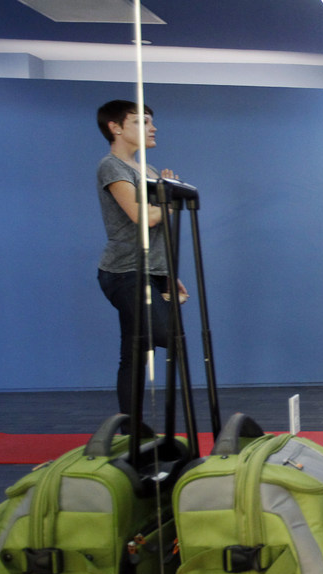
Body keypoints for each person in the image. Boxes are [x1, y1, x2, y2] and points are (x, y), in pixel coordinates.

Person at [95, 99, 186, 416]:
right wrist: (170, 203)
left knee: (135, 353)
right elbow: (142, 217)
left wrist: (167, 274)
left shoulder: (145, 169)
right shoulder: (112, 166)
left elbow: (156, 228)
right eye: (142, 122)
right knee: (166, 335)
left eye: (151, 121)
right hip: (124, 272)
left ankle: (131, 431)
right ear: (116, 128)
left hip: (151, 270)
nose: (153, 127)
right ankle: (136, 431)